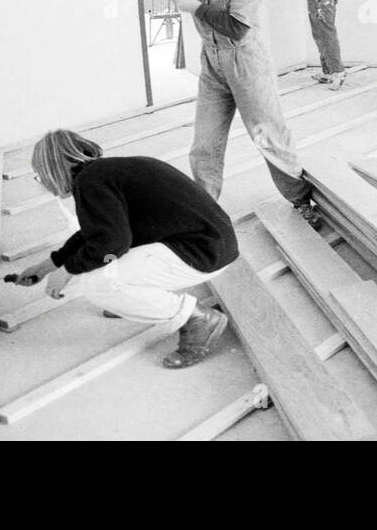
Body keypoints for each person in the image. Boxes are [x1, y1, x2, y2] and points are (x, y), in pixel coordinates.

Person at [77, 0, 320, 226]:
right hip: (213, 66)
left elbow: (236, 27)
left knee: (268, 137)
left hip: (246, 65)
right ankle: (202, 209)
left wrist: (194, 6)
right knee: (204, 145)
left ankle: (300, 199)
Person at [12, 129, 239, 369]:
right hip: (211, 246)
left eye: (40, 177)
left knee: (97, 283)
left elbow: (112, 244)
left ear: (53, 169)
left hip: (201, 254)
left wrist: (67, 270)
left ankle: (198, 319)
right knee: (101, 265)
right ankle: (130, 301)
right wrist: (48, 266)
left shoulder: (89, 182)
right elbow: (95, 233)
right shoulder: (106, 172)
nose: (44, 184)